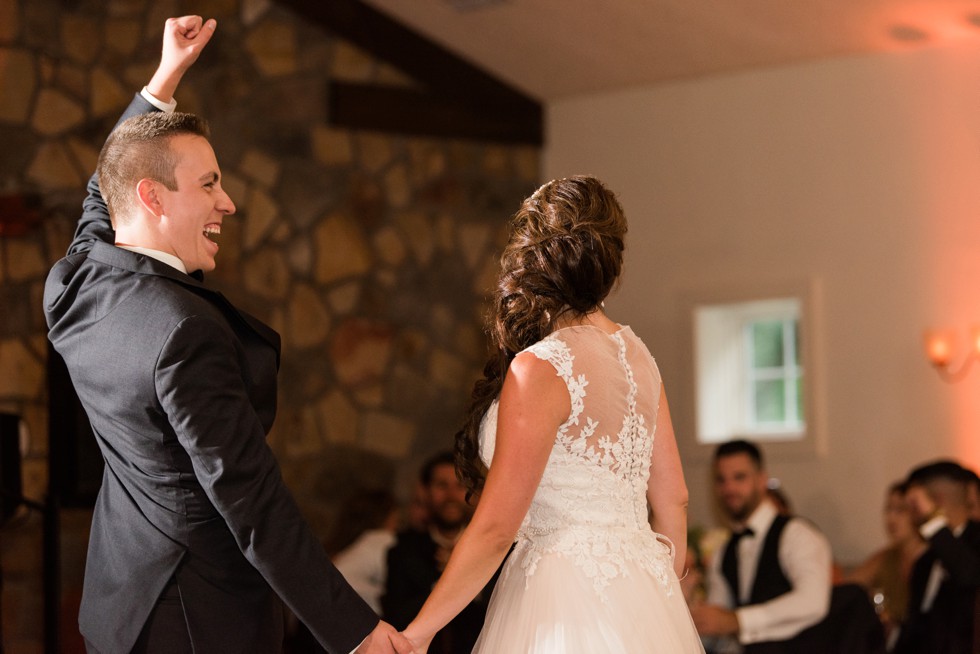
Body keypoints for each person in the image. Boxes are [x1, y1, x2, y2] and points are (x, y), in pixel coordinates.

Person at [42, 16, 410, 654]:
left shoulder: (73, 285)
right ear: (153, 198)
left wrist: (164, 79)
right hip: (198, 617)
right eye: (209, 184)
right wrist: (355, 632)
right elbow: (249, 493)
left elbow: (104, 192)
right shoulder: (183, 334)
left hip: (122, 605)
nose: (228, 202)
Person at [399, 176, 705, 652]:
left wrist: (418, 634)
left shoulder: (541, 366)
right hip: (640, 592)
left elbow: (498, 528)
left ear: (534, 259)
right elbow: (675, 500)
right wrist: (657, 600)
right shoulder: (640, 358)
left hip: (558, 599)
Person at [691, 440, 833, 653]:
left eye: (739, 477)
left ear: (761, 480)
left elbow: (813, 601)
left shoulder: (797, 534)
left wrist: (738, 621)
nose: (729, 488)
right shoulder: (723, 552)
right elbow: (718, 627)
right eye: (721, 480)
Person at [383, 452, 494, 653]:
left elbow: (501, 613)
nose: (451, 496)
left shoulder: (491, 549)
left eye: (459, 486)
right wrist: (444, 580)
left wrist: (465, 575)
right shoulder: (403, 550)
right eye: (442, 486)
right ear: (425, 492)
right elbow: (395, 616)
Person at [893, 460, 980, 654]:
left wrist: (931, 517)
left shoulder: (973, 543)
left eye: (913, 505)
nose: (911, 515)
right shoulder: (926, 560)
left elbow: (969, 575)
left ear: (937, 501)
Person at [844, 481, 926, 648]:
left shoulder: (932, 559)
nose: (891, 518)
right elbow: (847, 589)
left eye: (900, 510)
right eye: (888, 509)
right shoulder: (886, 558)